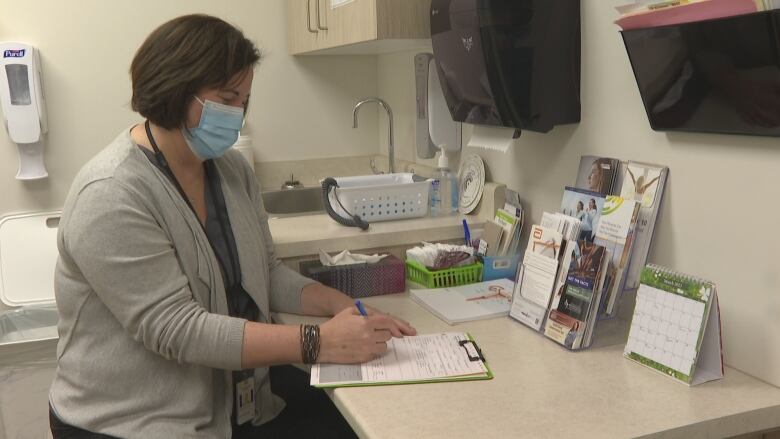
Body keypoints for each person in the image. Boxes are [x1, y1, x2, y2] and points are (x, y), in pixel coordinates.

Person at [48, 14, 415, 439]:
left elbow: (267, 272)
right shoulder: (111, 193)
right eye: (226, 98)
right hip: (133, 421)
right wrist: (319, 341)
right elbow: (178, 329)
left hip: (232, 400)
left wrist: (342, 306)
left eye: (244, 99)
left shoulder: (231, 171)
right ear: (175, 89)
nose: (237, 114)